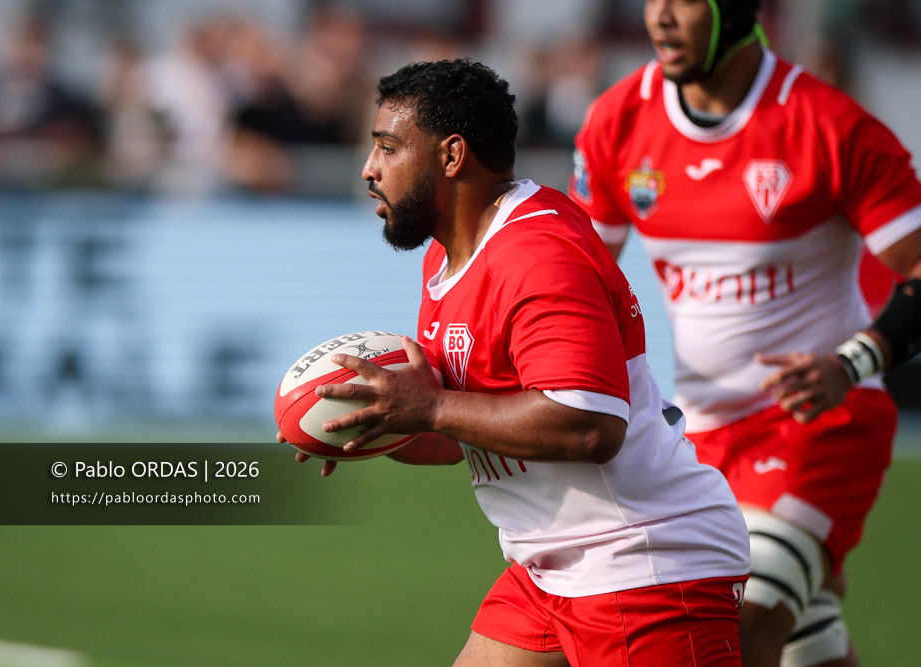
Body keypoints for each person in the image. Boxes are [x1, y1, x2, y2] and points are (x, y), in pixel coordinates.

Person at [280, 58, 750, 665]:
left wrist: (430, 404)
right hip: (549, 568)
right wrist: (380, 421)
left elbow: (588, 427)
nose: (370, 170)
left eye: (388, 149)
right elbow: (469, 432)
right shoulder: (448, 256)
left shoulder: (538, 253)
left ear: (452, 157)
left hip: (644, 565)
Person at [568, 2, 921, 666]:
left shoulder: (826, 124)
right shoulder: (617, 120)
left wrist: (852, 362)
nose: (659, 16)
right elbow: (573, 276)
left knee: (734, 634)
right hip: (702, 438)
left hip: (822, 423)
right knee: (807, 641)